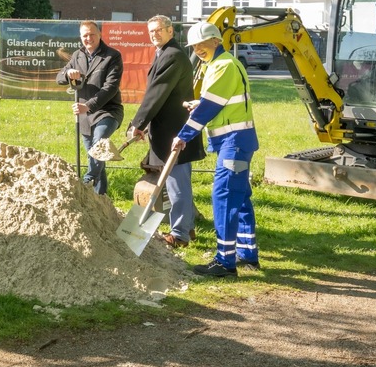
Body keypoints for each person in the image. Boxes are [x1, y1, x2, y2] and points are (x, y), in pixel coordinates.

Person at [172, 22, 261, 278]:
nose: (198, 49)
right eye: (194, 46)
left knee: (223, 196)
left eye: (202, 43)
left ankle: (225, 261)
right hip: (235, 141)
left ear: (215, 41)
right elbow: (220, 101)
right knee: (240, 197)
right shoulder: (221, 65)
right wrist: (200, 103)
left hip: (234, 143)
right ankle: (248, 254)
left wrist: (183, 136)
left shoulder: (222, 66)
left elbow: (211, 106)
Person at [126, 15, 205, 249]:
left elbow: (156, 94)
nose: (154, 34)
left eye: (159, 30)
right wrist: (146, 126)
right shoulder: (164, 53)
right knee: (178, 182)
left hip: (175, 132)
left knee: (176, 183)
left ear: (171, 31)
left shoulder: (173, 56)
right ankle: (187, 228)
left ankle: (179, 235)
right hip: (169, 129)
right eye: (151, 31)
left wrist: (137, 124)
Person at [55, 20, 124, 195]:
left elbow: (111, 87)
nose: (88, 38)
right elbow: (59, 78)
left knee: (98, 145)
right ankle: (100, 198)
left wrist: (88, 106)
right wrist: (68, 73)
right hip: (84, 116)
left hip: (107, 111)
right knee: (96, 156)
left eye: (92, 34)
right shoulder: (78, 56)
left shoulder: (112, 56)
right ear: (80, 37)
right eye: (84, 35)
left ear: (99, 34)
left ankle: (86, 181)